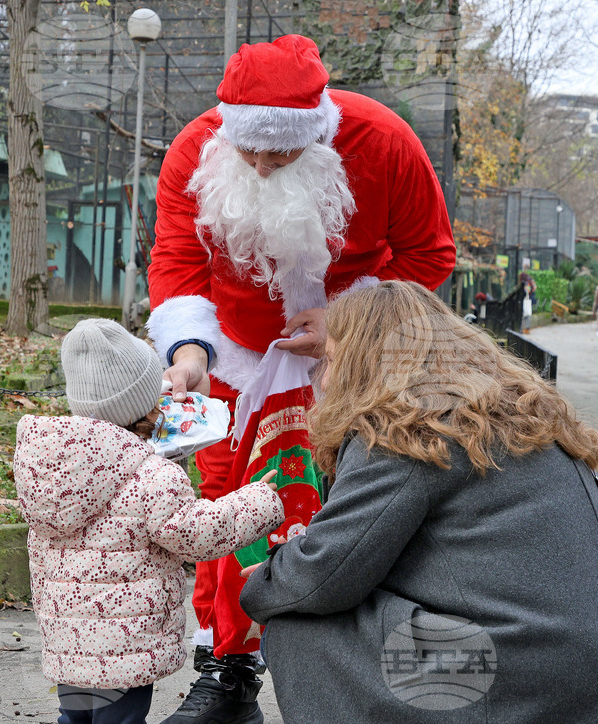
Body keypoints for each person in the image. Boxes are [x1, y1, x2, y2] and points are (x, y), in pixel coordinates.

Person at [145, 35, 456, 723]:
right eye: (248, 150)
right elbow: (176, 257)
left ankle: (360, 671)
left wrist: (346, 322)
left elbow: (429, 254)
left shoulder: (384, 141)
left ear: (315, 134)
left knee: (360, 497)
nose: (259, 165)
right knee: (228, 502)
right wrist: (189, 350)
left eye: (279, 153)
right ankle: (227, 672)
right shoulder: (195, 149)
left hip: (357, 354)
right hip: (235, 352)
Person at [239, 281, 598, 723]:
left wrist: (267, 580)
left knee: (300, 623)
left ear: (361, 361)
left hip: (530, 688)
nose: (324, 379)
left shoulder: (406, 429)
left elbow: (326, 575)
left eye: (332, 359)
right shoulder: (519, 411)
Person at [14, 319, 284, 724]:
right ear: (143, 400)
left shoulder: (48, 468)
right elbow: (196, 534)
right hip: (124, 647)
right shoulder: (150, 475)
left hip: (70, 646)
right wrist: (257, 501)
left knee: (75, 718)